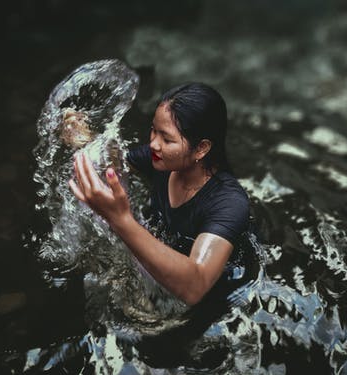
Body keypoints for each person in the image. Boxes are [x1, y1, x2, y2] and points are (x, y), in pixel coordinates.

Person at [68, 82, 254, 308]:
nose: (153, 144)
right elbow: (112, 162)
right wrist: (83, 140)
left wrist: (120, 219)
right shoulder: (163, 161)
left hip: (223, 304)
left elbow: (196, 286)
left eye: (167, 139)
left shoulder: (229, 203)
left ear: (201, 149)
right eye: (153, 130)